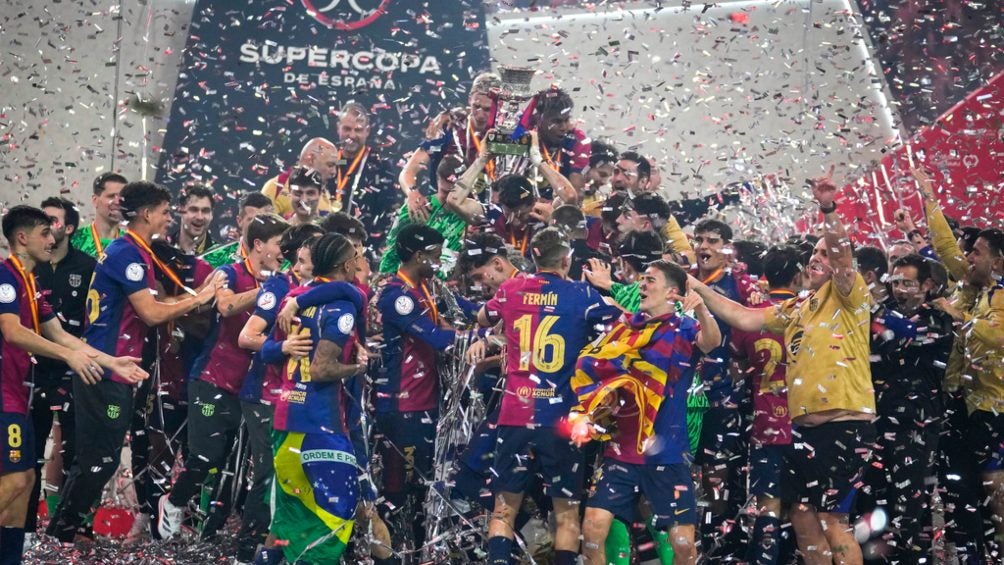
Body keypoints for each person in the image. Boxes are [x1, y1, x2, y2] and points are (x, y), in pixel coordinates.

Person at [688, 173, 877, 563]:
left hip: (843, 426)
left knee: (833, 520)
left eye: (825, 254)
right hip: (802, 430)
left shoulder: (849, 295)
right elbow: (744, 317)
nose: (817, 258)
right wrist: (698, 287)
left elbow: (843, 255)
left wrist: (828, 209)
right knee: (803, 517)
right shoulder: (799, 306)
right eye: (814, 253)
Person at [48, 182, 225, 545]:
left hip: (116, 368)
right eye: (164, 211)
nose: (169, 218)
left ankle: (63, 533)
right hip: (106, 369)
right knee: (99, 459)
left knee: (99, 457)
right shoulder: (127, 254)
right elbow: (151, 313)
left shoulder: (135, 251)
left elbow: (155, 305)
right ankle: (62, 533)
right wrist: (202, 297)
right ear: (147, 213)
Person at [0, 206, 147, 563]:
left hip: (19, 394)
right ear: (22, 238)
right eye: (44, 234)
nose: (52, 240)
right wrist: (69, 357)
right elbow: (12, 331)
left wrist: (111, 361)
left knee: (26, 482)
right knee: (15, 481)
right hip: (3, 396)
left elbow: (62, 334)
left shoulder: (32, 284)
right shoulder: (5, 277)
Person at [477, 227, 621, 565]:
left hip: (515, 414)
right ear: (567, 260)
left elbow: (483, 317)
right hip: (561, 419)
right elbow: (622, 322)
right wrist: (606, 288)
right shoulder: (583, 295)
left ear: (533, 256)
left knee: (503, 509)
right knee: (566, 514)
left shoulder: (511, 289)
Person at [573, 259, 721, 565]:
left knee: (684, 547)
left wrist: (701, 309)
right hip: (621, 449)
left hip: (667, 453)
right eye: (642, 279)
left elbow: (712, 341)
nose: (642, 285)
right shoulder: (623, 327)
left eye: (650, 280)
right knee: (592, 530)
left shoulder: (683, 328)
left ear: (672, 292)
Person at [156, 214, 289, 540]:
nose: (284, 251)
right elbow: (226, 306)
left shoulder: (282, 282)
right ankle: (173, 502)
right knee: (205, 456)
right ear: (259, 244)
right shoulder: (228, 273)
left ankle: (210, 533)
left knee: (231, 467)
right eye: (279, 244)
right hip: (212, 380)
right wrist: (268, 293)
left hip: (250, 389)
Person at [913, 166, 1004, 555]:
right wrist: (929, 198)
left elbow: (997, 336)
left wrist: (959, 316)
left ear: (997, 261)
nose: (968, 257)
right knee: (965, 493)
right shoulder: (975, 287)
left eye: (977, 252)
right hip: (963, 406)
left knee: (996, 493)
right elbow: (948, 250)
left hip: (995, 409)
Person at [263, 233, 368, 563]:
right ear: (346, 265)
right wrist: (358, 368)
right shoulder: (344, 305)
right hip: (322, 427)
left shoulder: (292, 299)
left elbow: (266, 353)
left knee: (286, 521)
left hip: (286, 423)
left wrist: (283, 347)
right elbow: (323, 370)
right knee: (333, 521)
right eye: (355, 257)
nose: (359, 262)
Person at [234, 223, 322, 562]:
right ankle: (248, 549)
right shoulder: (280, 286)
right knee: (269, 472)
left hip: (294, 396)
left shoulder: (318, 289)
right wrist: (284, 346)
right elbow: (247, 337)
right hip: (264, 395)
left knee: (290, 474)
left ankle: (281, 549)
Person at [857, 253, 954, 562]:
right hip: (877, 421)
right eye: (895, 282)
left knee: (909, 505)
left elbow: (907, 335)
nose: (899, 289)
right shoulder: (882, 313)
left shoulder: (939, 318)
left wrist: (875, 313)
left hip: (917, 425)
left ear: (927, 285)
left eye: (907, 283)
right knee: (873, 499)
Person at [24, 198, 96, 539]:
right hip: (32, 370)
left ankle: (69, 529)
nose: (45, 227)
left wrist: (97, 359)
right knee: (30, 452)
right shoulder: (27, 269)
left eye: (52, 220)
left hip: (75, 369)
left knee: (77, 451)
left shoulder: (88, 267)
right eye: (42, 220)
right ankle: (25, 529)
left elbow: (94, 321)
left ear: (68, 228)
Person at [730, 245, 801, 565]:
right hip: (805, 425)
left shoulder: (750, 317)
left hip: (767, 424)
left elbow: (736, 367)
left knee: (768, 505)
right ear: (798, 277)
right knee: (802, 507)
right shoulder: (809, 314)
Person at [400, 71, 502, 217]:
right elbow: (408, 171)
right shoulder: (449, 128)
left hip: (484, 215)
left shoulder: (503, 135)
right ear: (469, 100)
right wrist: (412, 193)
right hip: (444, 214)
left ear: (499, 105)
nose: (480, 114)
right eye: (476, 106)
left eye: (488, 109)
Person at [380, 154, 484, 277]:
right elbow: (391, 253)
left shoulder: (473, 214)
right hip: (411, 283)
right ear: (437, 179)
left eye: (454, 194)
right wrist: (387, 280)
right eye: (445, 192)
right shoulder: (417, 208)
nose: (450, 199)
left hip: (452, 284)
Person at [260, 137, 339, 218]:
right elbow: (261, 224)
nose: (334, 172)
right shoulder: (277, 187)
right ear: (311, 159)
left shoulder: (326, 194)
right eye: (330, 165)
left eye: (336, 166)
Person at [200, 192, 274, 269]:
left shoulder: (281, 262)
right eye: (251, 220)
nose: (258, 226)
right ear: (239, 221)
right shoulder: (214, 258)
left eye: (264, 220)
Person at [70, 172, 126, 258]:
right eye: (111, 196)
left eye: (122, 197)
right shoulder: (75, 239)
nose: (117, 202)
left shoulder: (131, 243)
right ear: (95, 200)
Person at [170, 184, 216, 255]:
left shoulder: (220, 256)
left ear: (211, 214)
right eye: (194, 210)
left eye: (205, 211)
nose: (200, 217)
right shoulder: (160, 250)